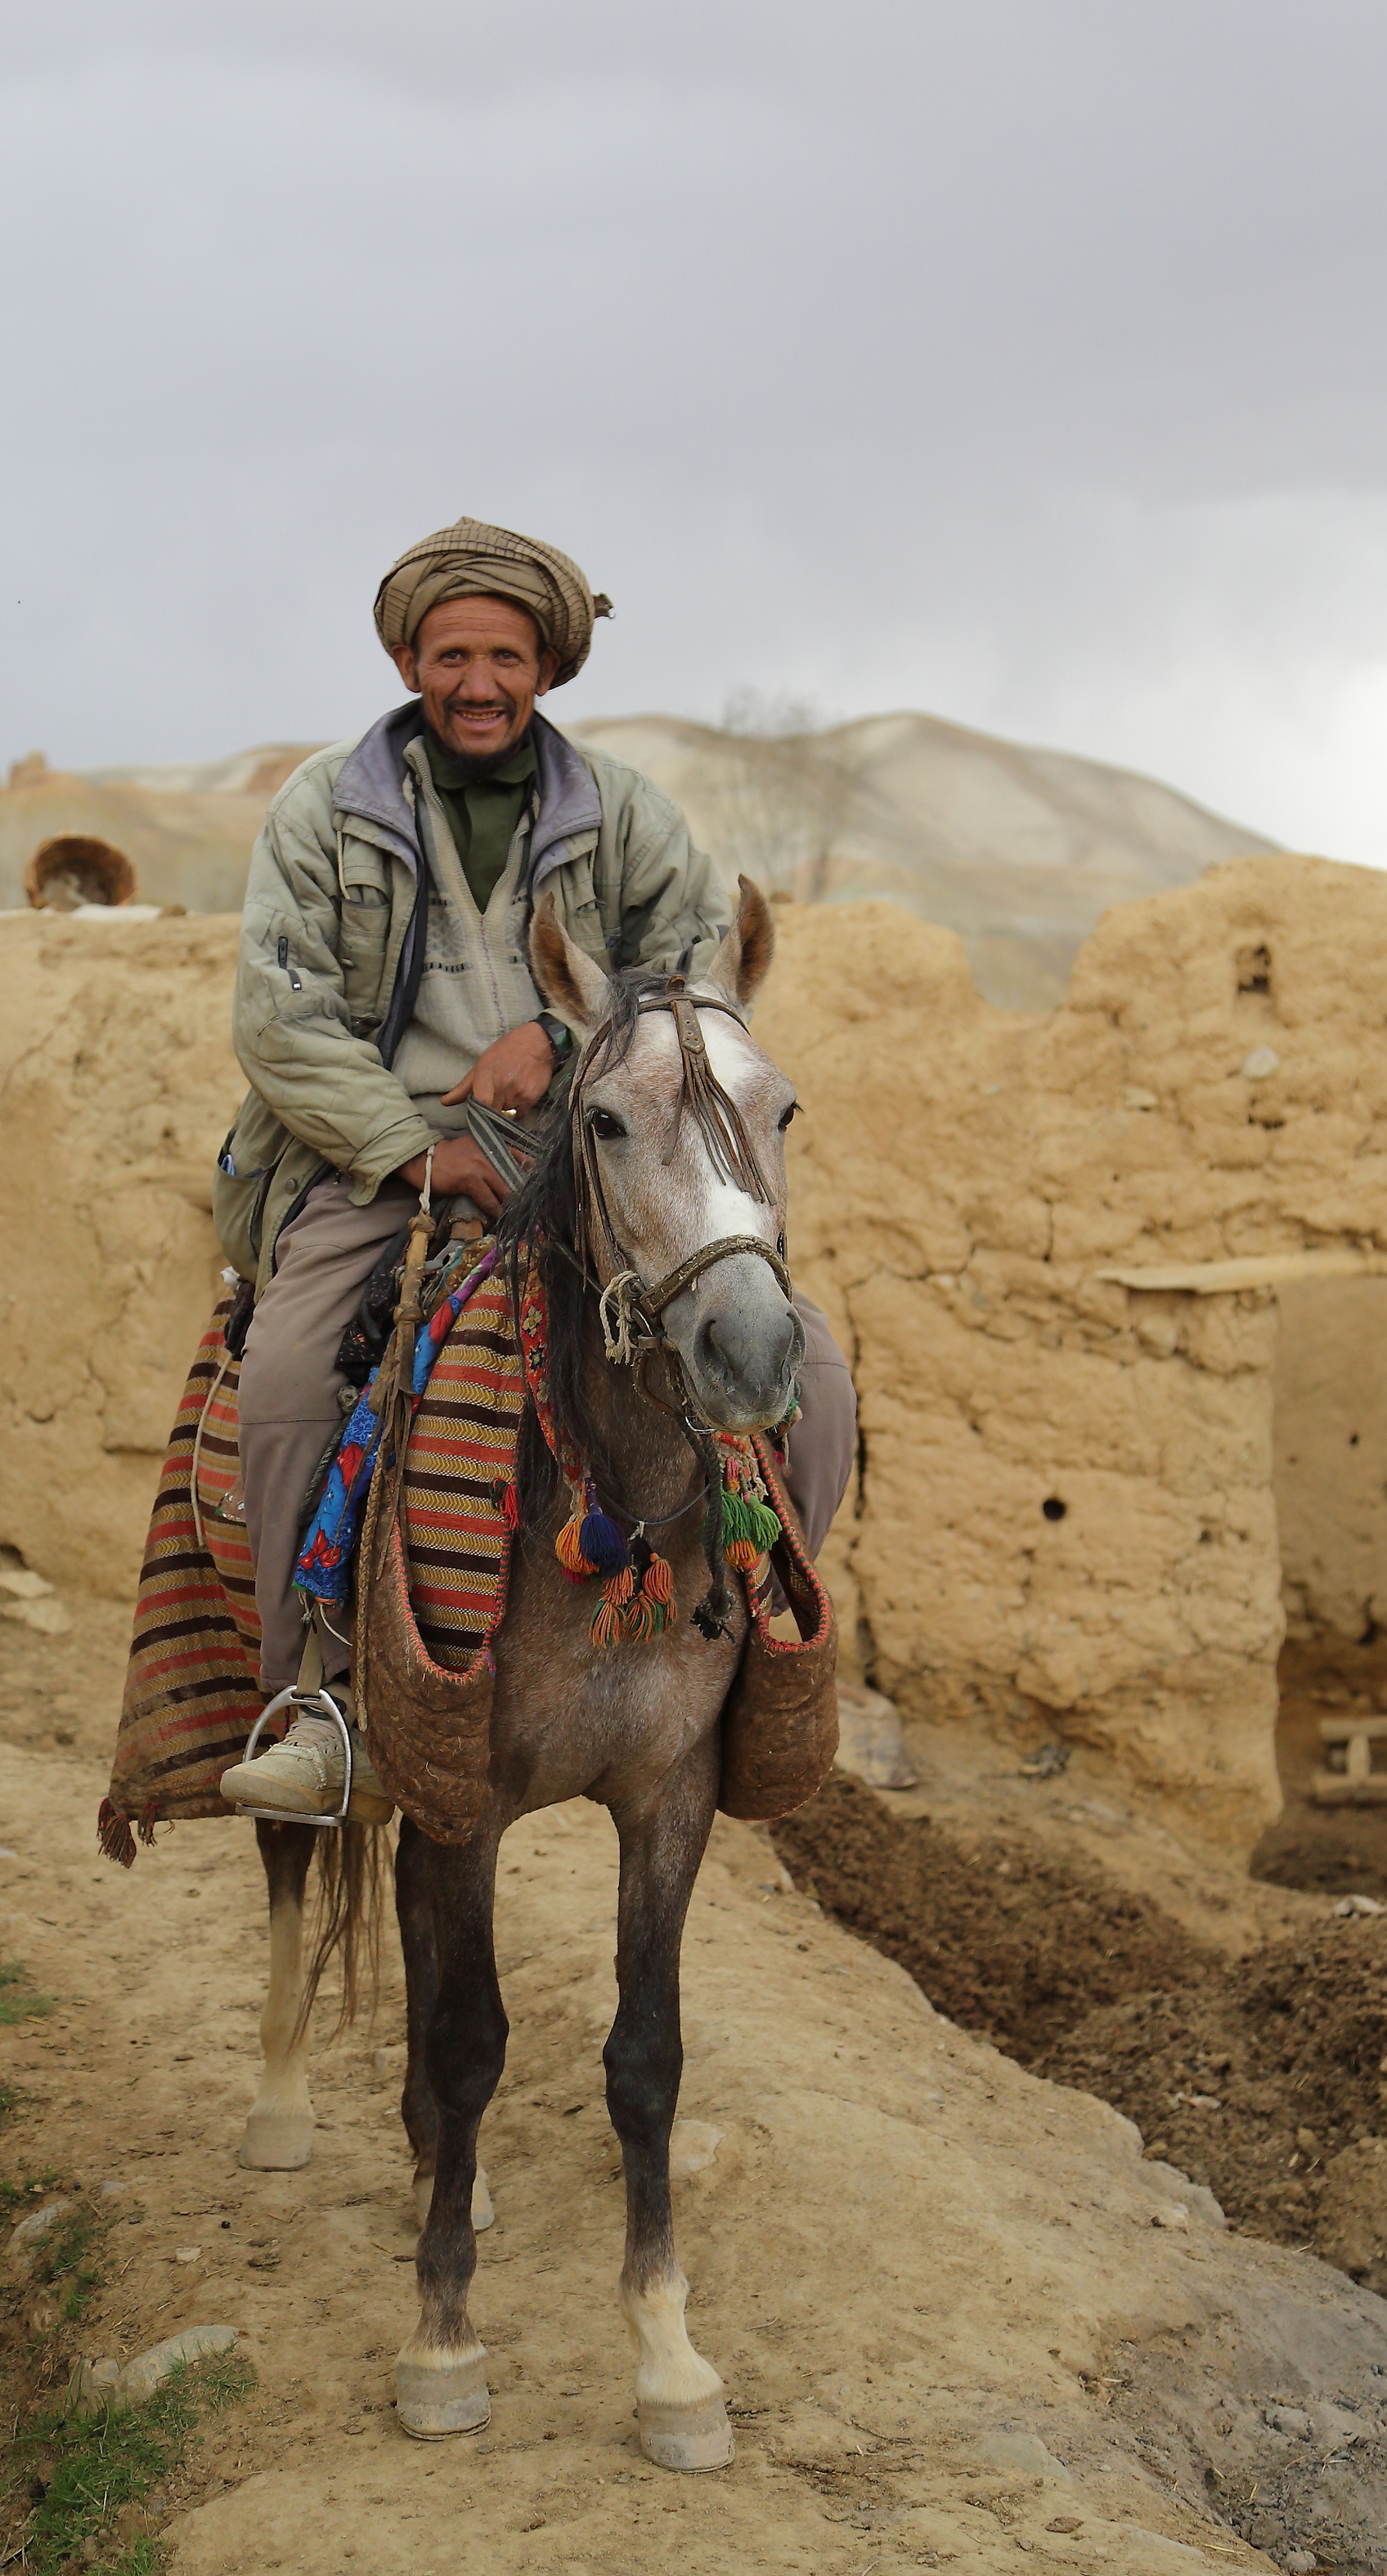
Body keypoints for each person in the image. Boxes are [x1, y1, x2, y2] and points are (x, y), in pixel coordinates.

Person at [213, 517, 856, 1821]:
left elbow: (697, 982)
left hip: (591, 1146)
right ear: (407, 659)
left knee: (815, 1374)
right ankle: (321, 1692)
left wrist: (559, 1033)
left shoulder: (622, 813)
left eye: (505, 654)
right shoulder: (324, 809)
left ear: (548, 668)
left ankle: (743, 1646)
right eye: (451, 652)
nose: (478, 681)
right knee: (286, 1374)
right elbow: (277, 1016)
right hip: (373, 1151)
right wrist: (418, 1149)